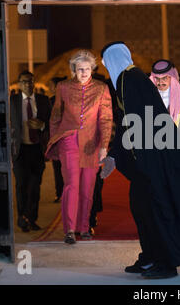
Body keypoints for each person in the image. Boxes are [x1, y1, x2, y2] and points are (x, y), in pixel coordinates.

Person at [100, 41, 180, 279]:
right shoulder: (128, 81)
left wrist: (134, 160)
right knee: (141, 206)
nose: (105, 66)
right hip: (149, 158)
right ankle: (149, 257)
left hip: (155, 159)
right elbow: (130, 123)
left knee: (158, 209)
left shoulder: (130, 79)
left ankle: (166, 263)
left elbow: (139, 124)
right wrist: (116, 156)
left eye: (106, 61)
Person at [45, 50, 113, 244]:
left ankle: (84, 227)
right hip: (69, 140)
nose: (83, 73)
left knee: (87, 188)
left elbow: (106, 119)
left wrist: (104, 146)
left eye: (87, 69)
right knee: (71, 185)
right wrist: (55, 140)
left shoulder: (101, 89)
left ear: (92, 69)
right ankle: (69, 229)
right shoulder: (63, 87)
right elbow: (56, 116)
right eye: (79, 69)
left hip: (92, 143)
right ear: (73, 70)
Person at [10, 70, 51, 232]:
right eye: (24, 81)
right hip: (20, 151)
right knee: (21, 185)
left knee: (35, 186)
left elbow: (51, 124)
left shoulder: (43, 100)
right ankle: (22, 217)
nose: (28, 84)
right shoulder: (12, 101)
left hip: (36, 150)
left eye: (31, 81)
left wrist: (41, 126)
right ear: (19, 84)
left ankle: (32, 218)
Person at [47, 77, 67, 204]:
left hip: (67, 140)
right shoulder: (49, 101)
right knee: (57, 168)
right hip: (56, 141)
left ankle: (66, 192)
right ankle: (59, 193)